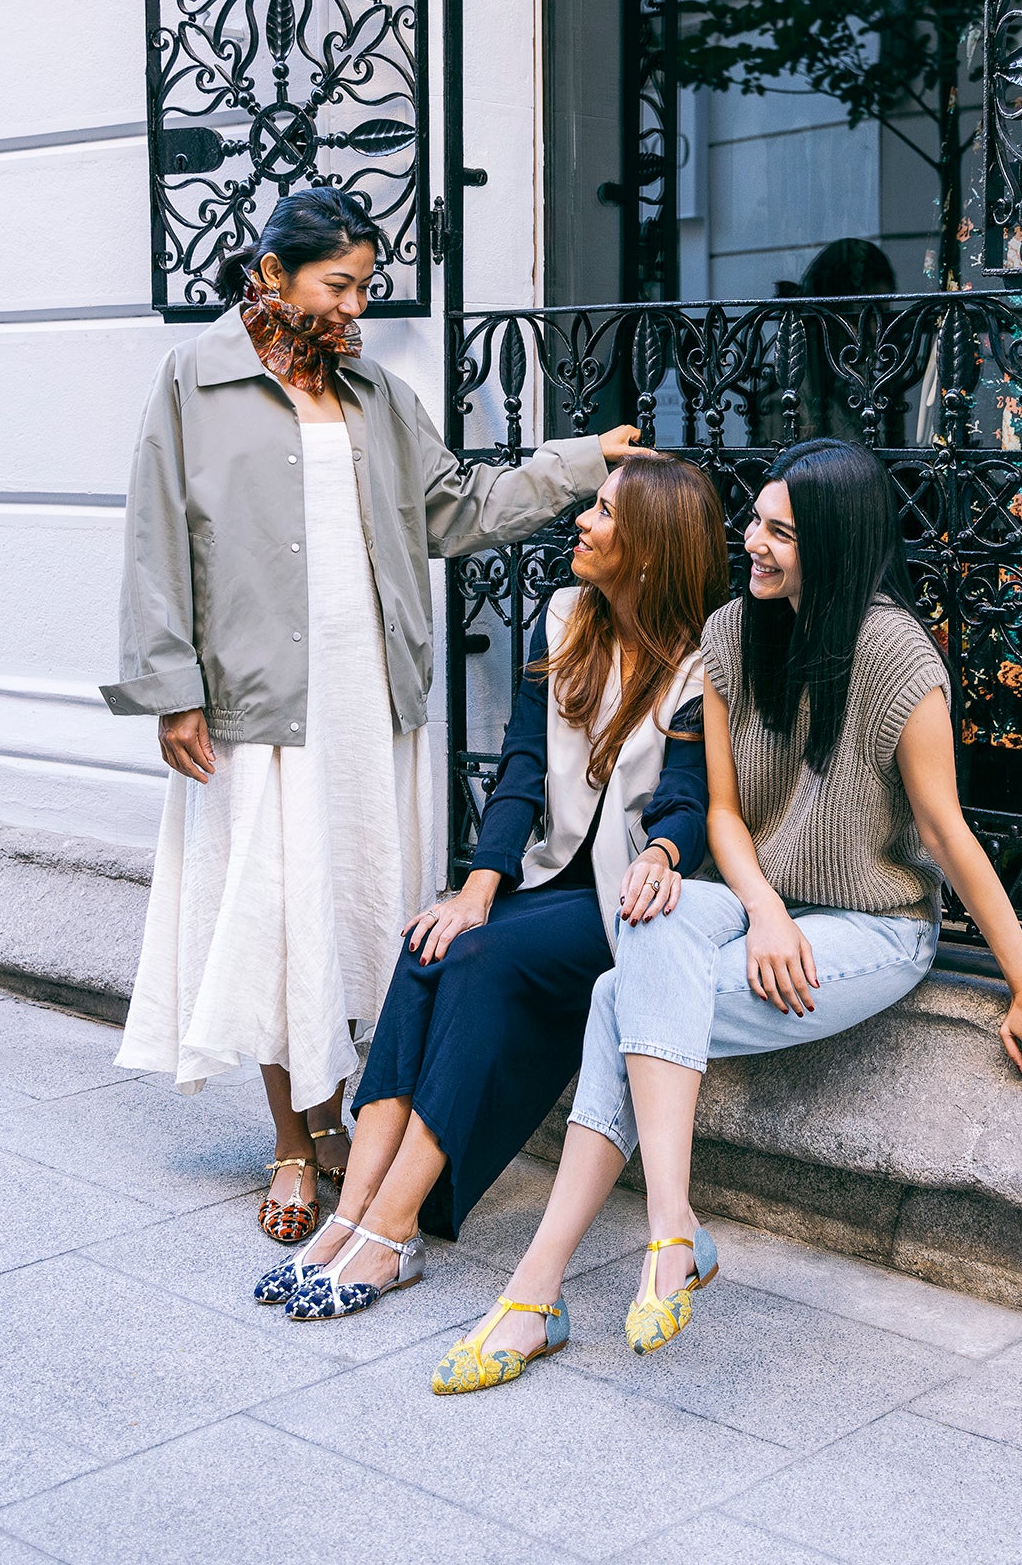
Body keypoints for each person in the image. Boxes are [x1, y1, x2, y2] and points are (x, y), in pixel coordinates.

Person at [435, 437, 1022, 1392]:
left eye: (781, 532)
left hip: (872, 925)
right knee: (648, 915)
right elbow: (729, 815)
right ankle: (668, 1227)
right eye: (756, 523)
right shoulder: (734, 632)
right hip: (762, 907)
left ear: (834, 543)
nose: (754, 544)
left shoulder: (898, 656)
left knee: (622, 998)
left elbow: (944, 834)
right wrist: (766, 910)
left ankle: (540, 1291)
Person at [103, 186, 644, 1244]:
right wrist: (169, 687)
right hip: (253, 703)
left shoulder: (377, 395)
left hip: (367, 696)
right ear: (273, 273)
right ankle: (295, 1144)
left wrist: (584, 462)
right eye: (337, 284)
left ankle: (346, 1114)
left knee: (347, 917)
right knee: (273, 919)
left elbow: (459, 509)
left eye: (365, 286)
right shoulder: (192, 380)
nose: (355, 306)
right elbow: (153, 538)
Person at [251, 453, 730, 1318]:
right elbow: (520, 766)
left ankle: (395, 1231)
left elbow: (691, 798)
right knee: (433, 939)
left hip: (620, 905)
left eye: (607, 513)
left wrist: (662, 852)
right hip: (548, 878)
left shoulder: (701, 663)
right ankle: (352, 1213)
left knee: (479, 962)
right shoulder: (565, 619)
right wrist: (475, 888)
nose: (583, 521)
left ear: (652, 549)